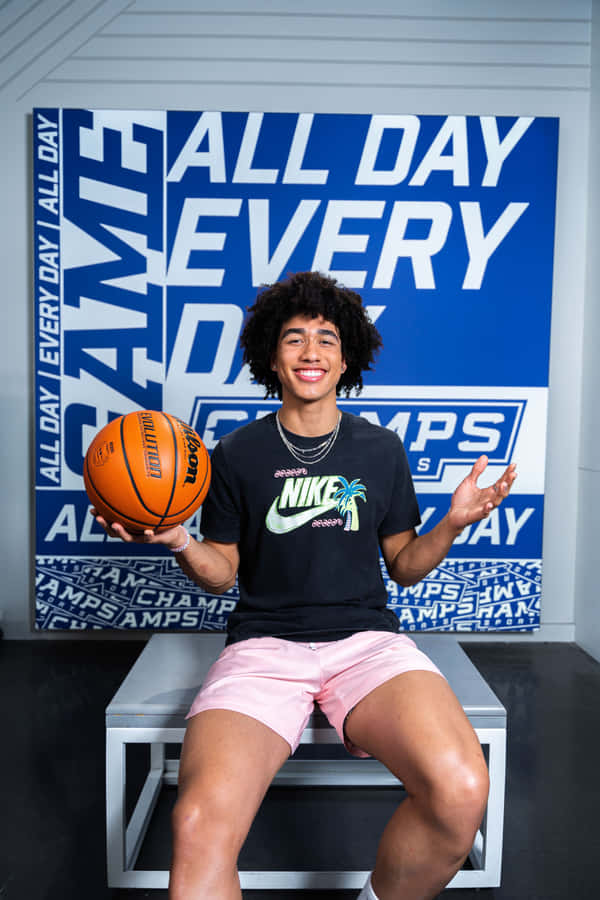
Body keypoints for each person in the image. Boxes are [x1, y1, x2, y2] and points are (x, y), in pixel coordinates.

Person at [92, 271, 517, 900]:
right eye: (294, 338)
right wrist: (178, 538)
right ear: (272, 356)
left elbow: (404, 565)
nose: (310, 351)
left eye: (326, 339)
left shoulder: (381, 450)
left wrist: (451, 524)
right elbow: (223, 573)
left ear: (347, 359)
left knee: (462, 787)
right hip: (264, 649)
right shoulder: (235, 453)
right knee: (198, 824)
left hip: (367, 646)